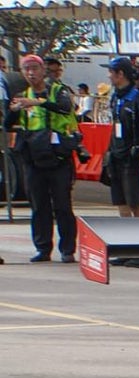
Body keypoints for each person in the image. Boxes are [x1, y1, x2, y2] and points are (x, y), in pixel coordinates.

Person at [5, 55, 79, 263]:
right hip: (33, 158)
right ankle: (43, 248)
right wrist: (12, 111)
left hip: (58, 157)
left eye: (34, 68)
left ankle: (67, 249)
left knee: (63, 205)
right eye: (26, 69)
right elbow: (8, 123)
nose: (31, 73)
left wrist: (37, 102)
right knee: (39, 206)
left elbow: (64, 107)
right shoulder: (21, 95)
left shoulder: (58, 91)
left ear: (42, 70)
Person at [101, 57, 139, 268]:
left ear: (120, 74)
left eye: (111, 72)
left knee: (136, 205)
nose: (108, 76)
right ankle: (128, 249)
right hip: (116, 157)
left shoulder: (138, 100)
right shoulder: (116, 98)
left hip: (132, 160)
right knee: (122, 205)